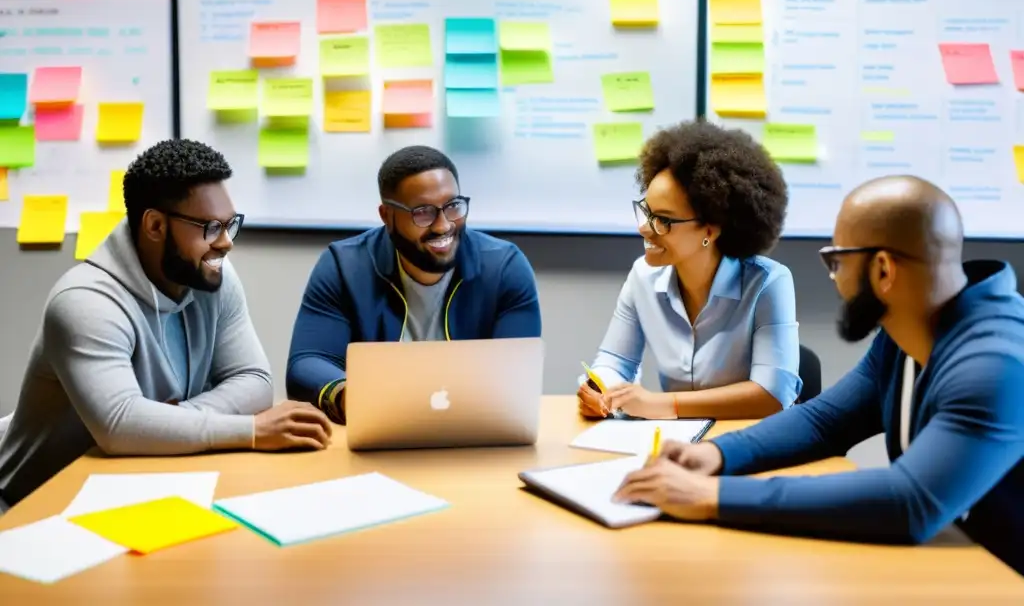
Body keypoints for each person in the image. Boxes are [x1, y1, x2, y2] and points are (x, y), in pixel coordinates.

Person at [612, 176, 1024, 575]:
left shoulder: (996, 364)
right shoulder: (912, 329)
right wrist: (718, 455)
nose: (834, 279)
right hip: (967, 560)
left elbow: (910, 502)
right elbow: (825, 421)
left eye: (837, 262)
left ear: (883, 270)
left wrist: (710, 495)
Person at [0, 139, 332, 509]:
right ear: (155, 225)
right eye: (210, 228)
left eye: (230, 225)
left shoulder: (213, 276)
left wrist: (163, 423)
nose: (226, 244)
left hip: (132, 489)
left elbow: (254, 381)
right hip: (33, 506)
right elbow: (121, 426)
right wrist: (252, 431)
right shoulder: (83, 302)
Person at [287, 145, 542, 423]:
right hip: (379, 434)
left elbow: (518, 374)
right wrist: (349, 394)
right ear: (387, 216)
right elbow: (307, 363)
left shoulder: (504, 268)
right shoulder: (344, 267)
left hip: (475, 436)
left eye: (453, 206)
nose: (443, 225)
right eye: (423, 212)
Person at [577, 120, 801, 421]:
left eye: (663, 220)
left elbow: (773, 394)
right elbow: (615, 360)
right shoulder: (642, 276)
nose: (643, 228)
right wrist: (602, 389)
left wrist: (665, 404)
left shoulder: (768, 283)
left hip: (750, 445)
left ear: (710, 229)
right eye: (646, 211)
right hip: (676, 443)